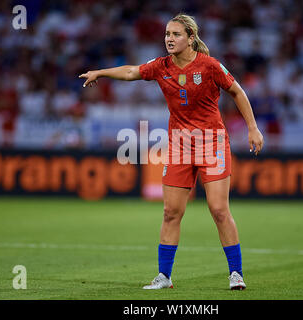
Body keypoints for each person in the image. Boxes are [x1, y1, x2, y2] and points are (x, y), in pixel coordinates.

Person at [79, 14, 264, 290]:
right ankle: (164, 277)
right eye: (167, 33)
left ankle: (236, 274)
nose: (169, 38)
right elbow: (131, 72)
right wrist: (100, 73)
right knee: (170, 211)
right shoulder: (160, 66)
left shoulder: (210, 66)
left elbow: (237, 92)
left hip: (211, 142)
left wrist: (252, 128)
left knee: (218, 209)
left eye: (176, 34)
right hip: (179, 144)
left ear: (191, 38)